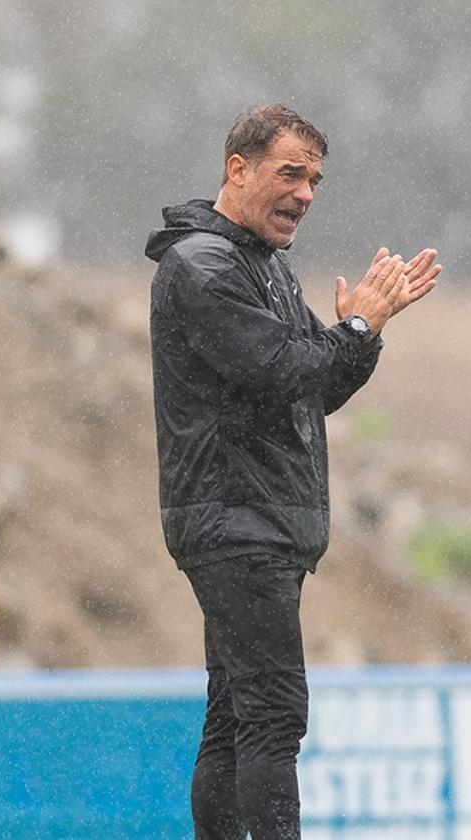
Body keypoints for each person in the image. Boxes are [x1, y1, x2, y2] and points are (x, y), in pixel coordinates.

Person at [145, 104, 440, 839]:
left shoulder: (262, 266)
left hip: (255, 522)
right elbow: (281, 369)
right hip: (235, 521)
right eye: (290, 173)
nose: (307, 193)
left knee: (237, 720)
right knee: (275, 715)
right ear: (237, 171)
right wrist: (357, 326)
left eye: (314, 179)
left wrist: (362, 336)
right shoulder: (204, 266)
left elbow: (316, 385)